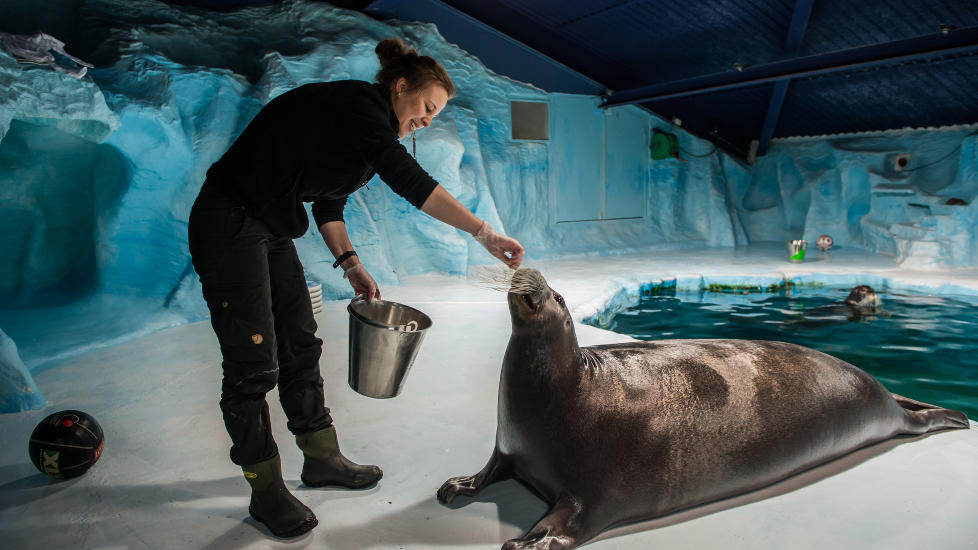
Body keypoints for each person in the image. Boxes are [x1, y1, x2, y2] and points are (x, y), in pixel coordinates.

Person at [187, 37, 524, 538]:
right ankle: (266, 490)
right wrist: (483, 232)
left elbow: (328, 200)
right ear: (400, 85)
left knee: (300, 342)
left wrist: (350, 265)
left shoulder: (366, 126)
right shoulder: (358, 106)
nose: (428, 120)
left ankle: (321, 458)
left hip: (269, 226)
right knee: (252, 364)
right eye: (427, 108)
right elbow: (409, 180)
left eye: (436, 115)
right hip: (228, 219)